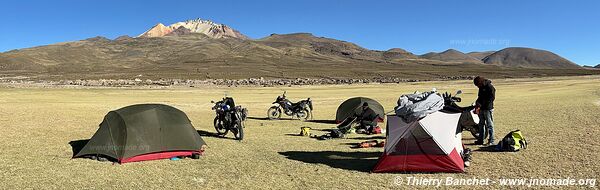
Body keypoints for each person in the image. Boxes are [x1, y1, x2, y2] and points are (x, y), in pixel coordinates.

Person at [474, 76, 496, 146]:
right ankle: (481, 140)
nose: (478, 87)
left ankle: (491, 140)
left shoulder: (490, 87)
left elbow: (491, 98)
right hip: (481, 109)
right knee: (481, 124)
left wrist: (482, 105)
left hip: (488, 109)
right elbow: (480, 97)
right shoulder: (481, 87)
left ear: (481, 82)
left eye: (478, 85)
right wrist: (477, 104)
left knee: (490, 125)